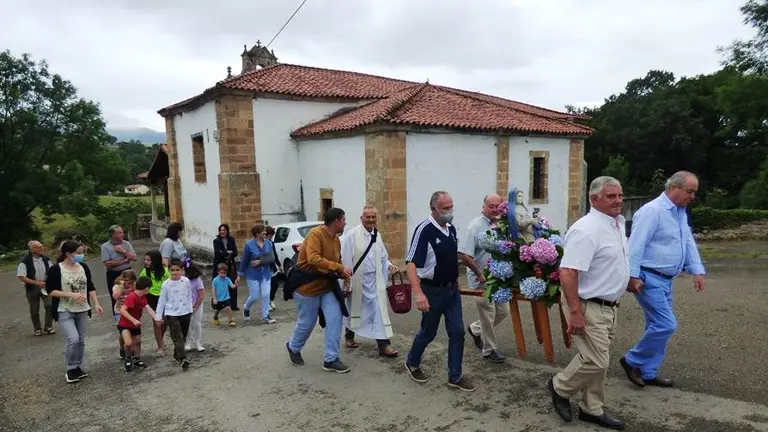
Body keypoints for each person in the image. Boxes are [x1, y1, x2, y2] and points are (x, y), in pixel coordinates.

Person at [547, 176, 628, 430]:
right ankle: (559, 386)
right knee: (597, 360)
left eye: (620, 195)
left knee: (598, 357)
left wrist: (622, 286)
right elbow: (568, 272)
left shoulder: (616, 223)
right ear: (594, 199)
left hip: (607, 304)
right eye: (611, 196)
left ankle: (591, 408)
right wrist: (574, 312)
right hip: (586, 304)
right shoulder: (586, 229)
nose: (619, 201)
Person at [620, 171, 706, 390]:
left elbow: (687, 241)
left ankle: (648, 372)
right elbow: (636, 245)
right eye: (690, 191)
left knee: (656, 326)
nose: (692, 196)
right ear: (674, 187)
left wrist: (697, 270)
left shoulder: (679, 212)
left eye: (694, 192)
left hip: (666, 279)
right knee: (666, 324)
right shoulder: (652, 211)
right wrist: (632, 276)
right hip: (649, 279)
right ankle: (631, 360)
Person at [404, 191, 474, 392]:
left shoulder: (450, 229)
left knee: (458, 332)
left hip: (452, 291)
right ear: (433, 209)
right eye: (445, 208)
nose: (449, 212)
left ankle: (455, 376)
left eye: (451, 207)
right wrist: (418, 293)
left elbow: (455, 256)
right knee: (429, 332)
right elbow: (411, 263)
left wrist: (476, 271)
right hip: (431, 291)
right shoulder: (424, 230)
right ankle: (412, 362)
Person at [286, 207, 353, 373]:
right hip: (307, 288)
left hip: (326, 287)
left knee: (335, 319)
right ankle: (293, 347)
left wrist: (344, 277)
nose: (345, 223)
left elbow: (338, 260)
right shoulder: (316, 235)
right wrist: (339, 267)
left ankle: (331, 359)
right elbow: (314, 259)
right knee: (307, 323)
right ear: (336, 221)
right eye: (344, 220)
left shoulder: (336, 239)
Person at [340, 205, 400, 357]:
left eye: (373, 217)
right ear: (362, 218)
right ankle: (349, 336)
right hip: (358, 280)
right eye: (368, 217)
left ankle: (384, 345)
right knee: (355, 310)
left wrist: (391, 266)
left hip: (375, 281)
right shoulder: (352, 235)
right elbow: (346, 259)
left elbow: (383, 258)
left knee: (379, 311)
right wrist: (347, 282)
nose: (371, 220)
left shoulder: (377, 235)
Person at [46, 240, 104, 383]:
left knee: (81, 340)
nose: (81, 255)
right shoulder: (56, 269)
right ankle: (70, 368)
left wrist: (96, 304)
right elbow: (50, 291)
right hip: (64, 309)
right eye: (78, 253)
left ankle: (77, 366)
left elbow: (90, 286)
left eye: (82, 252)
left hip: (82, 308)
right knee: (73, 339)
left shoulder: (83, 267)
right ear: (68, 254)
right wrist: (71, 295)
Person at [459, 194, 507, 363]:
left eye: (497, 206)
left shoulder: (502, 223)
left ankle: (475, 329)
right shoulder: (475, 226)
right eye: (491, 206)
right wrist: (479, 274)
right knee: (488, 313)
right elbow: (464, 255)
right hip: (481, 279)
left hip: (498, 278)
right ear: (484, 206)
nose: (494, 209)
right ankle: (489, 350)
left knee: (503, 311)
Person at [154, 259, 193, 371]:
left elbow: (189, 295)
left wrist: (190, 308)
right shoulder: (166, 284)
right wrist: (158, 316)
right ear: (169, 270)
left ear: (182, 270)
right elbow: (162, 300)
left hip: (185, 312)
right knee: (177, 336)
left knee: (183, 335)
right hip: (171, 313)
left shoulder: (186, 281)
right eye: (172, 270)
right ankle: (183, 358)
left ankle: (177, 355)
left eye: (177, 270)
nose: (175, 272)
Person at [236, 224, 277, 324]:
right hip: (253, 274)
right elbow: (244, 261)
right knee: (254, 296)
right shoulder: (249, 245)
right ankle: (246, 307)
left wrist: (260, 261)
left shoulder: (268, 243)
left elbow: (272, 258)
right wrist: (239, 275)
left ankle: (265, 316)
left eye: (265, 231)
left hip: (266, 274)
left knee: (266, 294)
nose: (265, 233)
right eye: (263, 231)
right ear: (257, 233)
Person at [117, 276, 160, 372]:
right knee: (128, 343)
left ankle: (137, 359)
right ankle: (128, 358)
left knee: (138, 342)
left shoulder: (143, 297)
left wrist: (157, 318)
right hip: (125, 324)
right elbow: (123, 310)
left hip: (135, 325)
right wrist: (133, 320)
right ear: (147, 289)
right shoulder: (132, 297)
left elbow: (148, 308)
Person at [17, 240, 55, 336]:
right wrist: (36, 283)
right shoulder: (25, 262)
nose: (42, 248)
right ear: (33, 249)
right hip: (32, 288)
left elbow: (53, 271)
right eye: (39, 247)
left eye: (42, 246)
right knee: (34, 309)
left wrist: (49, 281)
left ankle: (48, 326)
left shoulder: (46, 259)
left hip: (46, 286)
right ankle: (37, 328)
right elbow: (21, 277)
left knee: (50, 305)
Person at [101, 225, 137, 318]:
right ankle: (117, 315)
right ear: (113, 235)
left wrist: (123, 251)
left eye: (122, 232)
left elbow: (134, 257)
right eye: (119, 233)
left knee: (131, 292)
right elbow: (107, 263)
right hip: (113, 273)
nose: (122, 234)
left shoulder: (126, 244)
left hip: (127, 271)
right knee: (116, 294)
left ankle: (132, 312)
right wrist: (124, 260)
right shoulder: (105, 246)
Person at [140, 250, 170, 356]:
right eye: (145, 260)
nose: (146, 262)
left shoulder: (166, 272)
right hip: (151, 298)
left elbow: (170, 284)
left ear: (156, 260)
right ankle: (160, 346)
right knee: (157, 322)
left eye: (149, 260)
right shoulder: (144, 272)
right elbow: (141, 286)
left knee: (165, 321)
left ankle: (160, 339)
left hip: (164, 298)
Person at [112, 269, 138, 360]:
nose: (127, 283)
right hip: (119, 311)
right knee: (122, 332)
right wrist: (122, 287)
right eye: (125, 280)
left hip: (132, 312)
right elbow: (115, 296)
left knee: (132, 331)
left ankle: (132, 349)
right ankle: (122, 348)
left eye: (129, 281)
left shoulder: (135, 286)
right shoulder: (117, 286)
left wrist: (133, 287)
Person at [213, 223, 239, 310]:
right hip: (220, 266)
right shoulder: (216, 241)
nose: (222, 232)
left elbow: (235, 252)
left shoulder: (231, 239)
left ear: (227, 231)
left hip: (230, 265)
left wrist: (227, 254)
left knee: (232, 283)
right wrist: (228, 252)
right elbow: (218, 253)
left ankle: (233, 305)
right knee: (219, 285)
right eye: (220, 230)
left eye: (224, 230)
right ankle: (218, 304)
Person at [184, 261, 206, 352]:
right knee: (187, 325)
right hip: (185, 306)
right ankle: (188, 342)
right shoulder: (183, 280)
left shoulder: (197, 281)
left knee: (196, 324)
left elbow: (201, 295)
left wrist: (196, 307)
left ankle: (198, 342)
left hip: (197, 305)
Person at [265, 225, 282, 312]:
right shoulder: (263, 243)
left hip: (272, 266)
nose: (271, 237)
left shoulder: (271, 243)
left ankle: (271, 299)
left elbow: (275, 254)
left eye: (271, 236)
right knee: (267, 286)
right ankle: (267, 302)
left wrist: (279, 265)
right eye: (270, 235)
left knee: (275, 284)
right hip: (265, 267)